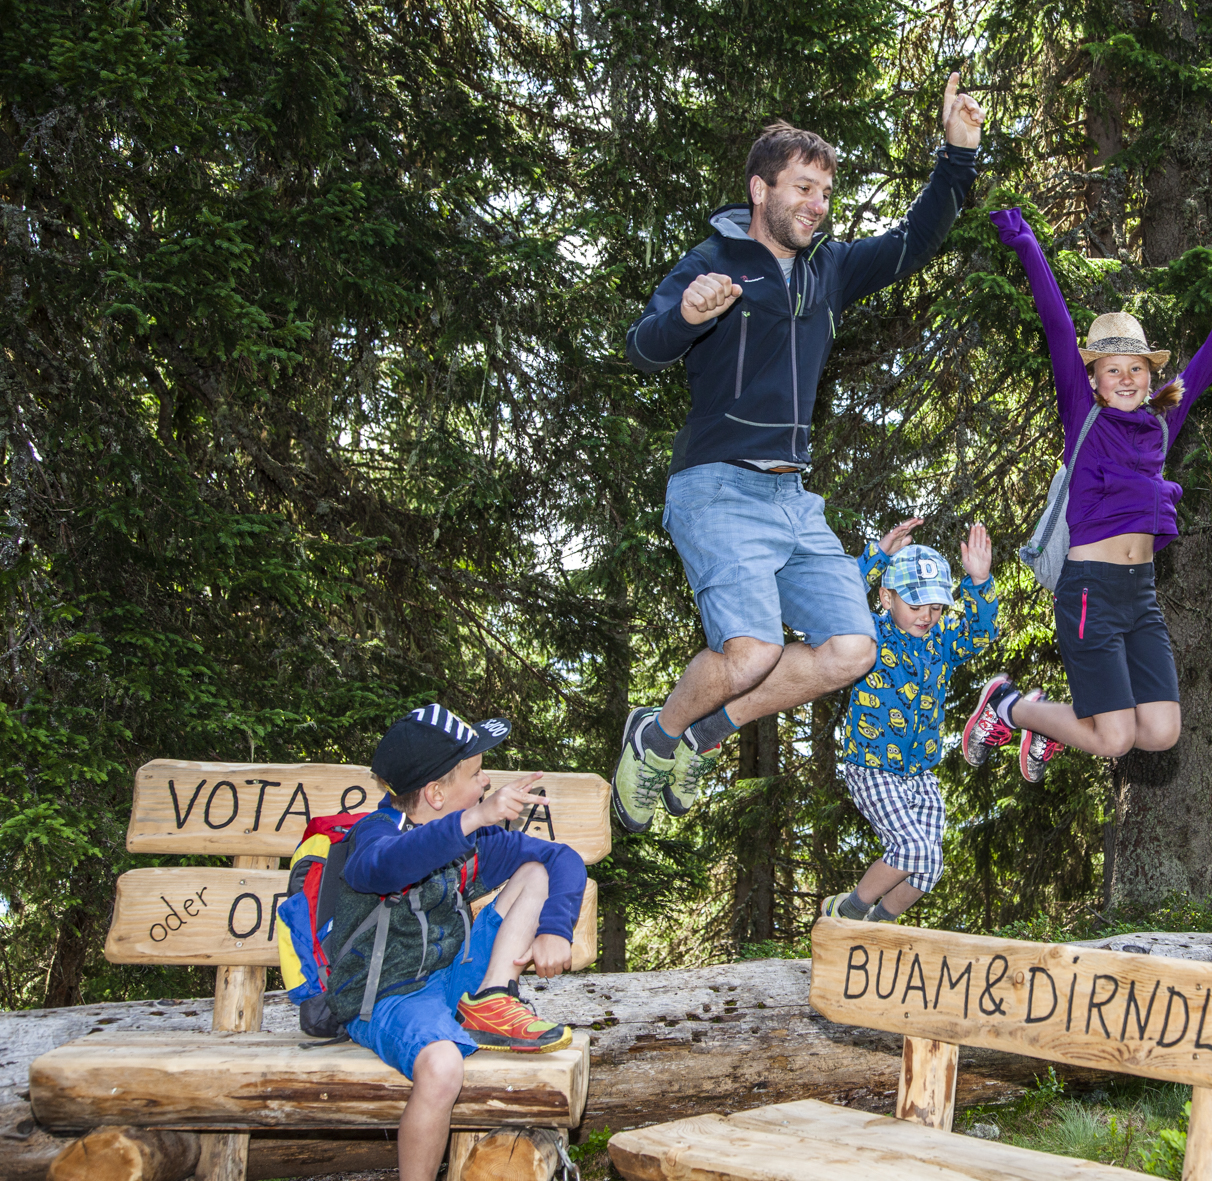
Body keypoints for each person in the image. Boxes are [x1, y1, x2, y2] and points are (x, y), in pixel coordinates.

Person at [614, 75, 986, 833]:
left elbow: (915, 240)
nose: (817, 204)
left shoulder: (829, 270)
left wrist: (957, 155)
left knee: (852, 649)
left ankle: (702, 732)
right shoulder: (713, 260)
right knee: (748, 652)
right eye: (803, 187)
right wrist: (686, 315)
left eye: (825, 192)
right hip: (717, 488)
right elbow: (643, 346)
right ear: (761, 188)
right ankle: (653, 735)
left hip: (793, 500)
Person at [961, 207, 1212, 780]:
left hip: (1141, 597)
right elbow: (1059, 325)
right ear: (1093, 379)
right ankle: (1011, 706)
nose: (1129, 378)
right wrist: (1027, 240)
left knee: (1160, 732)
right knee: (1113, 739)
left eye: (1137, 367)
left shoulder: (1161, 424)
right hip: (1091, 593)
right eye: (1114, 369)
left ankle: (1038, 719)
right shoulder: (1082, 417)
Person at [324, 705, 584, 1181]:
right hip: (386, 997)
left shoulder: (476, 839)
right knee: (443, 1066)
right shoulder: (376, 835)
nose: (486, 782)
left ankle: (492, 998)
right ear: (436, 794)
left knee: (534, 872)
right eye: (476, 773)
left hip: (450, 977)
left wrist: (555, 929)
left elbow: (562, 858)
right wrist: (473, 820)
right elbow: (385, 868)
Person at [821, 518, 997, 923]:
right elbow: (837, 597)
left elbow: (983, 633)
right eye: (915, 605)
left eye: (936, 606)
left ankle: (876, 926)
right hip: (871, 766)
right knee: (911, 849)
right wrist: (879, 555)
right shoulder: (871, 634)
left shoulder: (943, 640)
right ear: (886, 598)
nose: (927, 616)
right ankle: (847, 912)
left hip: (920, 773)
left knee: (929, 864)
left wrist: (980, 581)